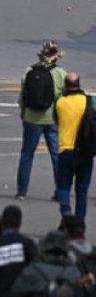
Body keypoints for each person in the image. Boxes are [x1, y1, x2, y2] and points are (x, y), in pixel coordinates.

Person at [18, 41, 66, 202]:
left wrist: (23, 114)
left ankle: (22, 191)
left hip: (31, 118)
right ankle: (60, 191)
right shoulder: (60, 73)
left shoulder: (29, 70)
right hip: (52, 119)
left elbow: (22, 96)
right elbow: (64, 99)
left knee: (27, 154)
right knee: (56, 156)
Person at [55, 73, 93, 221]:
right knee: (82, 190)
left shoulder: (60, 102)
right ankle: (79, 222)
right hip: (85, 151)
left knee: (63, 186)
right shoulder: (88, 101)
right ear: (79, 83)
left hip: (66, 149)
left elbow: (56, 120)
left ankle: (66, 212)